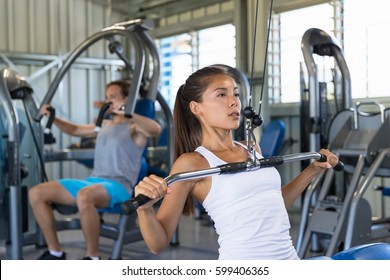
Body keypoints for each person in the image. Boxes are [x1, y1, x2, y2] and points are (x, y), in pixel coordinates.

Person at [133, 65, 340, 260]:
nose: (234, 102)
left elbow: (275, 203)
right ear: (196, 108)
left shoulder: (250, 148)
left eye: (235, 94)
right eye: (221, 94)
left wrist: (312, 170)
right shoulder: (192, 163)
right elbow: (157, 243)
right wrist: (145, 209)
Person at [28, 80, 161, 260]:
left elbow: (155, 129)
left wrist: (128, 112)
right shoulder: (104, 125)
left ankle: (93, 258)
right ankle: (55, 252)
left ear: (126, 99)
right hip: (93, 181)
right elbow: (74, 129)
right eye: (107, 97)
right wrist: (53, 116)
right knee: (36, 193)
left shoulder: (135, 128)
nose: (108, 101)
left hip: (119, 186)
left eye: (113, 97)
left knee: (85, 195)